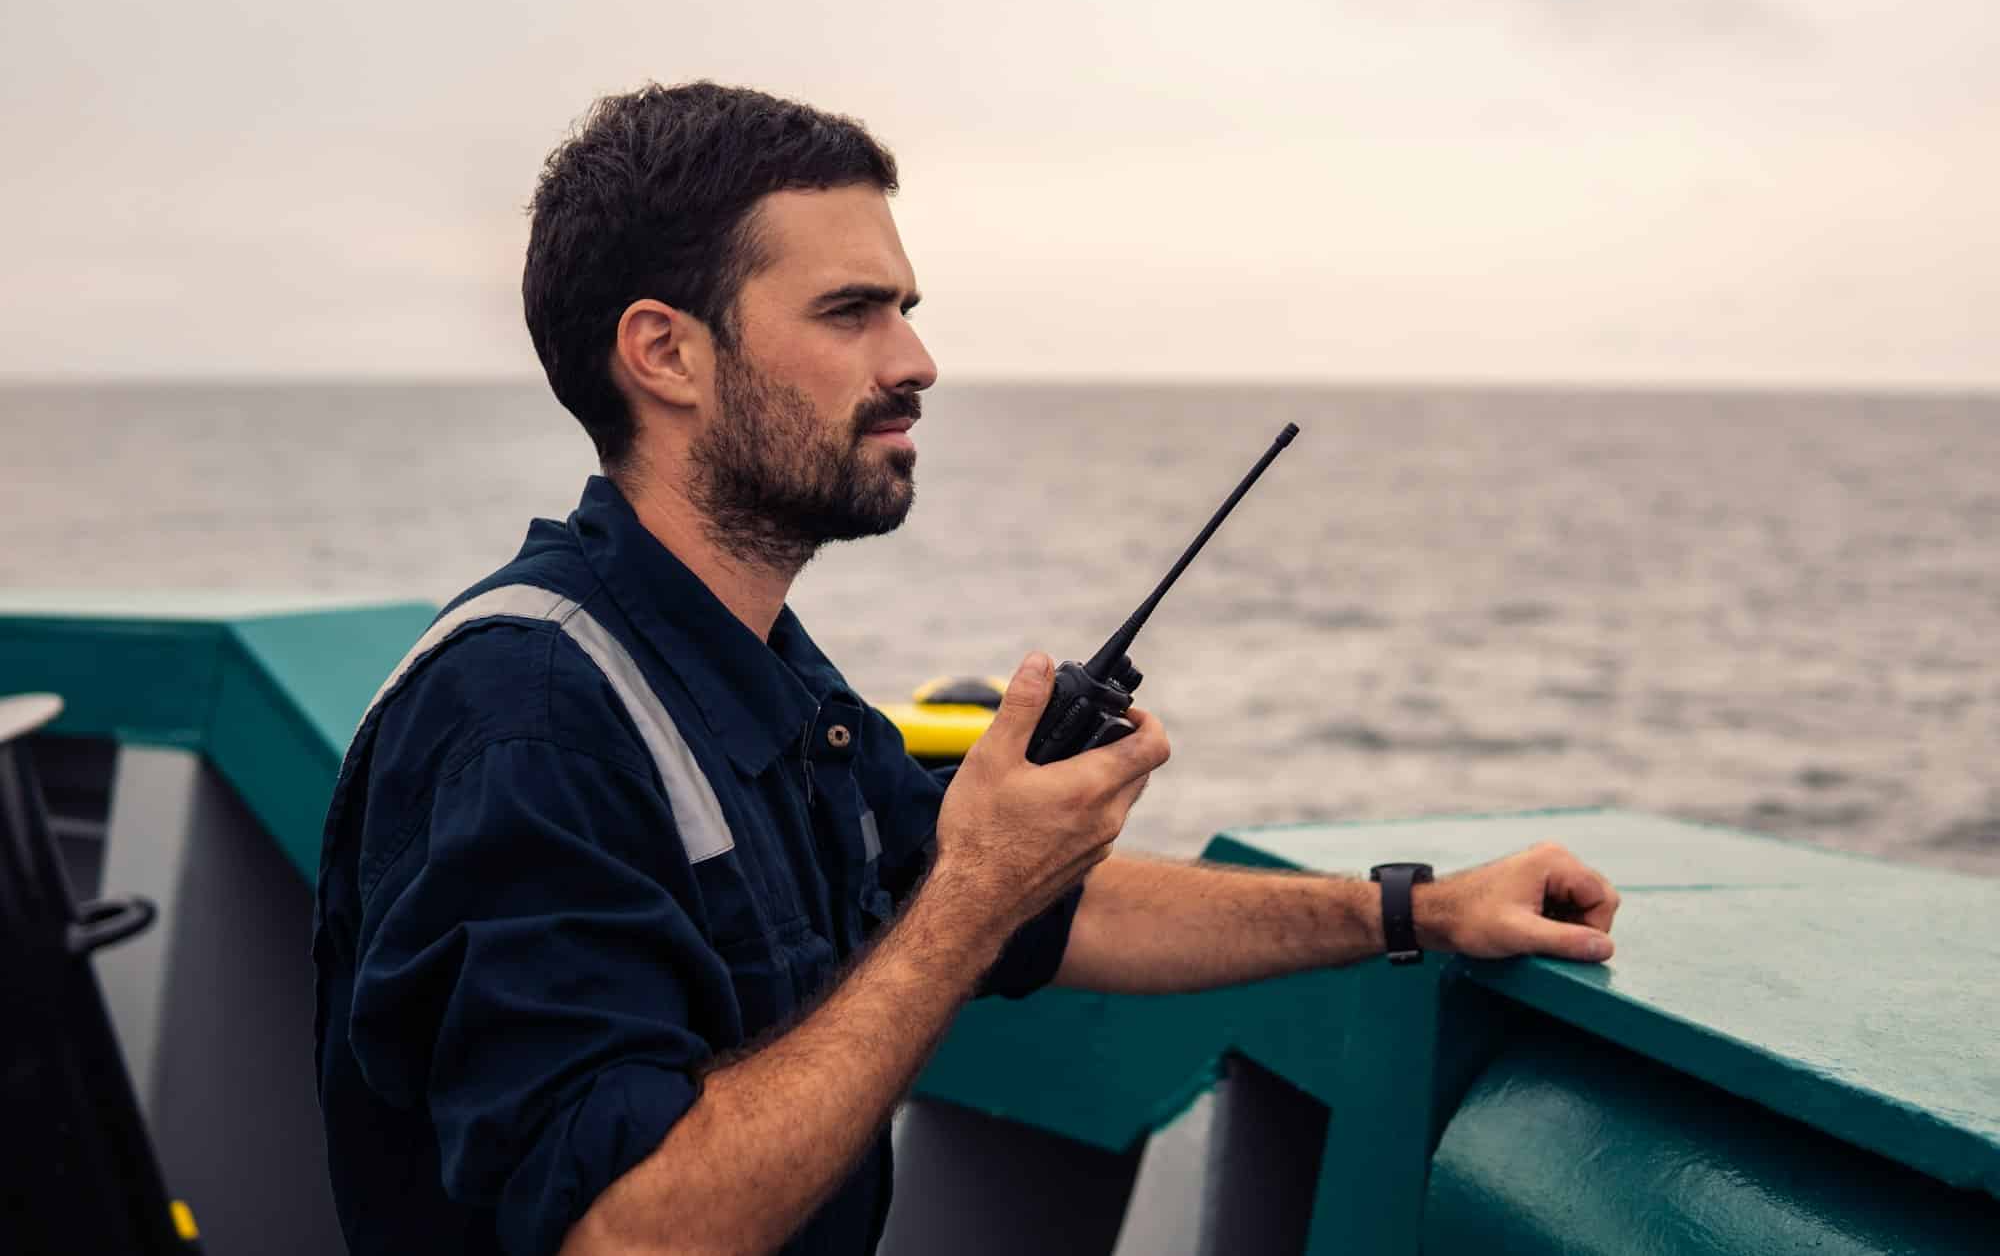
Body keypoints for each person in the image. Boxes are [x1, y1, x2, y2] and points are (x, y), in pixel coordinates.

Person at [311, 81, 1622, 1256]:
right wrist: (975, 894)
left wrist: (1415, 910)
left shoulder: (759, 668)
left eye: (909, 311)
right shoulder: (521, 722)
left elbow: (1043, 907)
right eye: (851, 312)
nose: (916, 360)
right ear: (665, 353)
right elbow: (630, 1234)